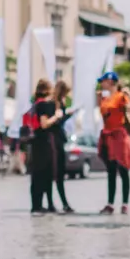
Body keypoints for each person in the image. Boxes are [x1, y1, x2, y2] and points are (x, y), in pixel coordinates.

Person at [96, 72, 130, 214]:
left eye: (104, 81)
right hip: (108, 135)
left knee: (123, 169)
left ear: (111, 82)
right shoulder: (105, 98)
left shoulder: (121, 96)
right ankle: (110, 203)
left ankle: (125, 203)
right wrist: (99, 100)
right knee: (111, 170)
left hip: (119, 135)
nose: (101, 83)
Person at [26, 79, 60, 214]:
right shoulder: (44, 105)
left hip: (35, 142)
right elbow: (44, 124)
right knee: (45, 173)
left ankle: (36, 204)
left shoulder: (35, 104)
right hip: (44, 142)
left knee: (36, 174)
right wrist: (56, 117)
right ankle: (41, 205)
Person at [50, 80, 75, 213]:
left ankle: (62, 202)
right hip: (55, 141)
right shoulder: (54, 104)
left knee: (59, 173)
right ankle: (58, 202)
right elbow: (56, 122)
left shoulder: (59, 103)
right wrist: (66, 115)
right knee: (57, 173)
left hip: (58, 139)